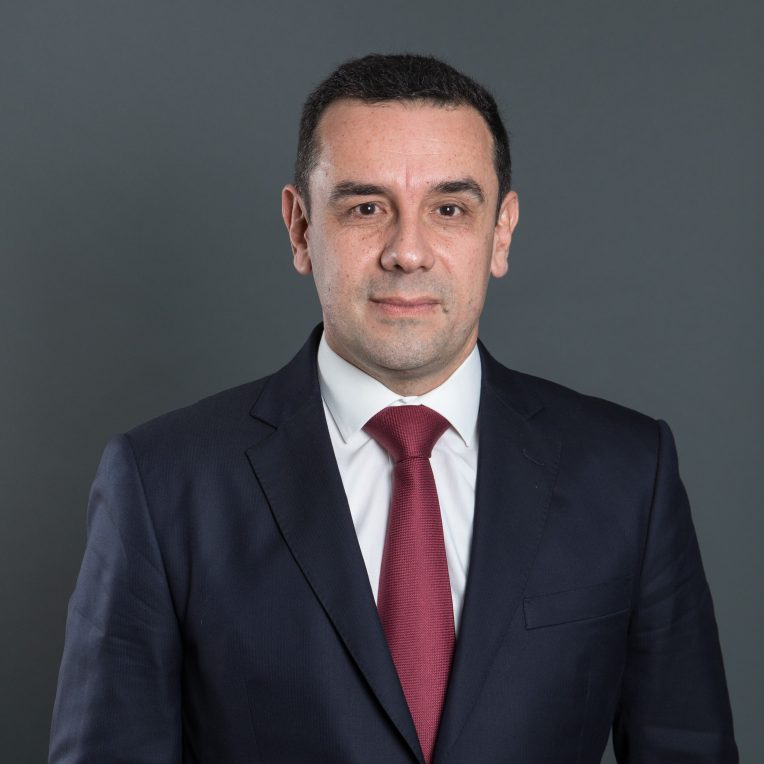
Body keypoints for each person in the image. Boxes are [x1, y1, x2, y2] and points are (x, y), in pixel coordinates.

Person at [49, 53, 738, 764]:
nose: (408, 252)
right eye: (366, 208)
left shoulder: (629, 474)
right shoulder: (162, 484)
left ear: (501, 232)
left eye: (449, 209)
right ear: (300, 228)